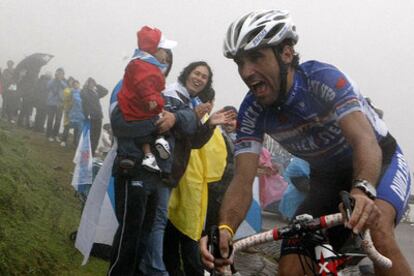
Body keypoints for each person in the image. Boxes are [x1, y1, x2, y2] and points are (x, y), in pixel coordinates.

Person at [200, 10, 412, 276]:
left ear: (286, 54)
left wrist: (362, 190)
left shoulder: (322, 79)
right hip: (327, 179)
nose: (246, 72)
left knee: (377, 231)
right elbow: (243, 180)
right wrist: (225, 229)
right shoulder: (252, 111)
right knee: (292, 264)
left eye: (256, 58)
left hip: (378, 163)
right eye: (240, 63)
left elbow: (364, 140)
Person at [107, 57, 233, 275]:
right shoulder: (171, 93)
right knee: (145, 225)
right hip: (148, 169)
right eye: (197, 73)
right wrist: (187, 117)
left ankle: (144, 269)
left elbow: (191, 141)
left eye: (204, 77)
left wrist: (209, 124)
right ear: (187, 73)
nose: (199, 78)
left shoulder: (191, 103)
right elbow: (161, 123)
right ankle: (155, 270)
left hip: (168, 173)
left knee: (152, 224)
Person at [115, 25, 176, 173]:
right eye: (164, 51)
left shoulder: (145, 65)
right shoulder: (142, 66)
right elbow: (144, 84)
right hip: (135, 110)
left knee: (150, 125)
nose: (166, 56)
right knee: (148, 126)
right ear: (154, 50)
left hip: (139, 109)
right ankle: (141, 151)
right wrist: (151, 97)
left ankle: (150, 152)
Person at [81, 77, 108, 155]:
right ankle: (86, 151)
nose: (92, 84)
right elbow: (83, 95)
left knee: (97, 135)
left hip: (98, 116)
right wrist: (86, 86)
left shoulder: (96, 92)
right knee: (90, 135)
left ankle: (92, 152)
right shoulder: (85, 92)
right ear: (88, 83)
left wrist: (97, 85)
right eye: (91, 83)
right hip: (90, 116)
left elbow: (105, 91)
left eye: (93, 83)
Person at [61, 80, 84, 147]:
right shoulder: (70, 91)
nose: (75, 85)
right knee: (67, 127)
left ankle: (75, 143)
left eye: (77, 84)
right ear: (72, 85)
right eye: (74, 84)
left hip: (80, 114)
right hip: (71, 112)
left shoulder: (82, 93)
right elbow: (67, 100)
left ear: (79, 84)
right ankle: (63, 140)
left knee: (77, 129)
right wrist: (67, 110)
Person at [46, 67, 67, 141]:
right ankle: (48, 135)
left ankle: (55, 135)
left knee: (58, 120)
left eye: (61, 74)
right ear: (56, 73)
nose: (60, 75)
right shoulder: (52, 81)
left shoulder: (64, 82)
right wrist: (55, 79)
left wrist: (60, 80)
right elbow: (48, 86)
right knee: (50, 119)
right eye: (58, 73)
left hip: (60, 104)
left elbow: (66, 88)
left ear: (63, 75)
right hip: (51, 103)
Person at [60, 76, 75, 146]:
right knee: (67, 125)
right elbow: (66, 96)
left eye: (73, 81)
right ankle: (63, 140)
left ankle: (74, 142)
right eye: (70, 81)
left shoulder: (75, 90)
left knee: (75, 126)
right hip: (68, 109)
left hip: (75, 111)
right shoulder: (67, 90)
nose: (72, 83)